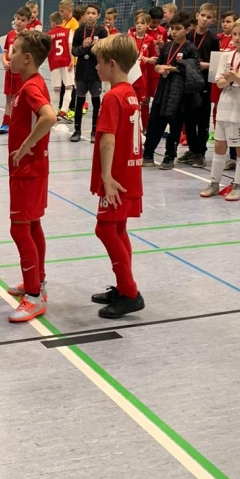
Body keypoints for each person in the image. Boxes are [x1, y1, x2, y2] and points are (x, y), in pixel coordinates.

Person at [89, 34, 145, 319]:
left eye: (98, 61)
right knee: (119, 228)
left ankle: (130, 292)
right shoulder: (130, 92)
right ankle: (124, 288)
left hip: (117, 175)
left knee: (105, 229)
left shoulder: (112, 96)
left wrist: (107, 177)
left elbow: (107, 139)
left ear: (111, 64)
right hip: (130, 172)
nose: (95, 66)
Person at [5, 30, 56, 323]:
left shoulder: (30, 88)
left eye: (13, 51)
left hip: (27, 170)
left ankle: (34, 297)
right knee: (33, 224)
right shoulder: (32, 83)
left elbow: (49, 116)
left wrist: (26, 145)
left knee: (19, 228)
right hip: (33, 169)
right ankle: (37, 280)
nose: (9, 55)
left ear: (26, 58)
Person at [199, 18, 240, 201]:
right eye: (234, 34)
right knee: (219, 146)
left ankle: (238, 185)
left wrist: (235, 78)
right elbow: (219, 83)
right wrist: (228, 79)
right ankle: (214, 182)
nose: (236, 38)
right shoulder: (226, 55)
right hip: (225, 106)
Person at [142, 12, 204, 170]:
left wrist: (174, 69)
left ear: (187, 29)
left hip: (179, 94)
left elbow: (194, 68)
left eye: (178, 28)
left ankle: (170, 156)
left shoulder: (191, 48)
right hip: (162, 90)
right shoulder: (167, 46)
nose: (174, 32)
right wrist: (159, 67)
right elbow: (158, 64)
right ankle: (148, 154)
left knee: (175, 126)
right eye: (172, 28)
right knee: (154, 123)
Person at [182, 3, 221, 167]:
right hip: (187, 81)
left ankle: (201, 152)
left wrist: (204, 65)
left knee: (202, 118)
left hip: (203, 82)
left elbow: (216, 63)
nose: (205, 19)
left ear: (213, 20)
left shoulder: (213, 39)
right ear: (197, 16)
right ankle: (192, 149)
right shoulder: (188, 35)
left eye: (209, 17)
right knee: (188, 117)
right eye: (203, 15)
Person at [71, 3, 108, 142]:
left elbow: (104, 52)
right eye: (88, 13)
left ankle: (94, 131)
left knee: (96, 102)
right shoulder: (79, 31)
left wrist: (94, 47)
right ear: (85, 15)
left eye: (93, 13)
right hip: (81, 72)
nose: (90, 16)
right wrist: (83, 46)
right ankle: (77, 130)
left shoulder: (102, 31)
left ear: (98, 16)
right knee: (79, 101)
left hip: (95, 73)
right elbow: (74, 51)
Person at [0, 7, 28, 135]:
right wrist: (4, 61)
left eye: (23, 20)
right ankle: (6, 122)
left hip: (20, 74)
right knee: (9, 99)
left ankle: (19, 122)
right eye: (18, 19)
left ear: (27, 22)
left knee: (19, 100)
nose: (19, 22)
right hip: (9, 73)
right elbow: (5, 52)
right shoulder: (10, 34)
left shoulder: (28, 37)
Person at [130, 11, 158, 129]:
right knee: (131, 101)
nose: (139, 25)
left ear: (148, 25)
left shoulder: (150, 40)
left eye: (142, 23)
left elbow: (155, 59)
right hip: (130, 75)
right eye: (137, 23)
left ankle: (145, 127)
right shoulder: (129, 37)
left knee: (144, 102)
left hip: (143, 76)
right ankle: (131, 125)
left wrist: (147, 59)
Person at [46, 10, 74, 118]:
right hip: (66, 61)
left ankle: (53, 112)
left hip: (54, 63)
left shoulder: (48, 35)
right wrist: (72, 60)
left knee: (56, 89)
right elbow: (70, 46)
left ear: (53, 22)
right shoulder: (68, 31)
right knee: (68, 87)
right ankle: (64, 110)